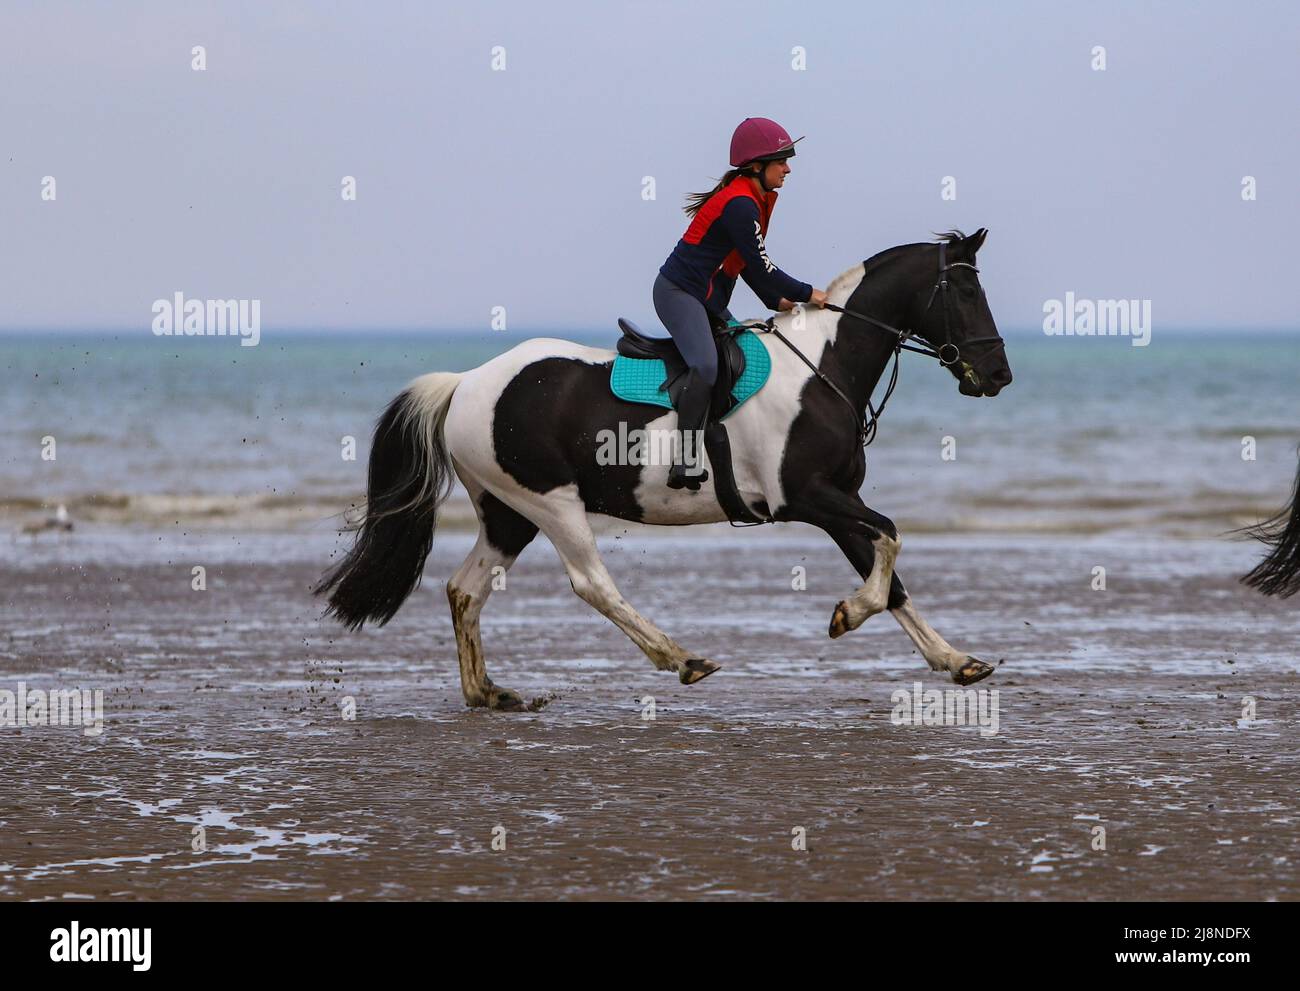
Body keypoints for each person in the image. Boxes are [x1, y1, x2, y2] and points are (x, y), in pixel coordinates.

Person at [655, 117, 829, 490]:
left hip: (707, 301)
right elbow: (763, 264)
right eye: (782, 160)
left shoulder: (753, 200)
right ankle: (683, 461)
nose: (788, 168)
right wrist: (806, 292)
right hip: (678, 294)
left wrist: (774, 298)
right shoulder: (740, 205)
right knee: (705, 366)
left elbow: (745, 263)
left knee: (743, 358)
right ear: (756, 167)